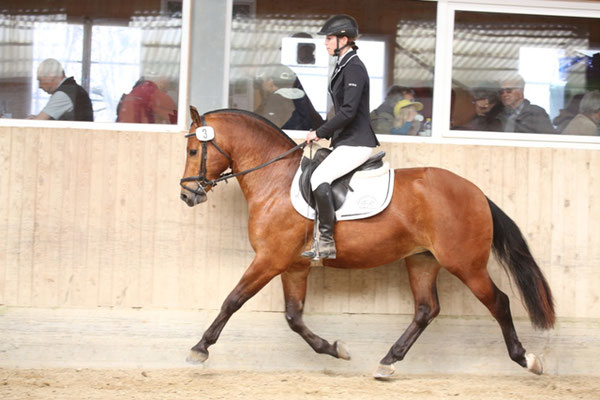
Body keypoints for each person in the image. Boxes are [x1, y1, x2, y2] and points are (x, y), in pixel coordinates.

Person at [302, 14, 379, 260]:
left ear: (343, 39)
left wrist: (320, 132)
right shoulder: (344, 64)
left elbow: (348, 112)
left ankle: (326, 240)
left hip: (357, 142)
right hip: (346, 140)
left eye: (329, 38)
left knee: (319, 177)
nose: (325, 43)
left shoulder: (354, 67)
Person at [254, 64, 323, 130]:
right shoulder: (301, 96)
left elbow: (270, 126)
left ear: (271, 82)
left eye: (263, 81)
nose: (261, 85)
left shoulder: (274, 100)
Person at [28, 58, 93, 121]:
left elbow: (38, 122)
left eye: (41, 80)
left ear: (51, 77)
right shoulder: (72, 89)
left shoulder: (63, 94)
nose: (40, 86)